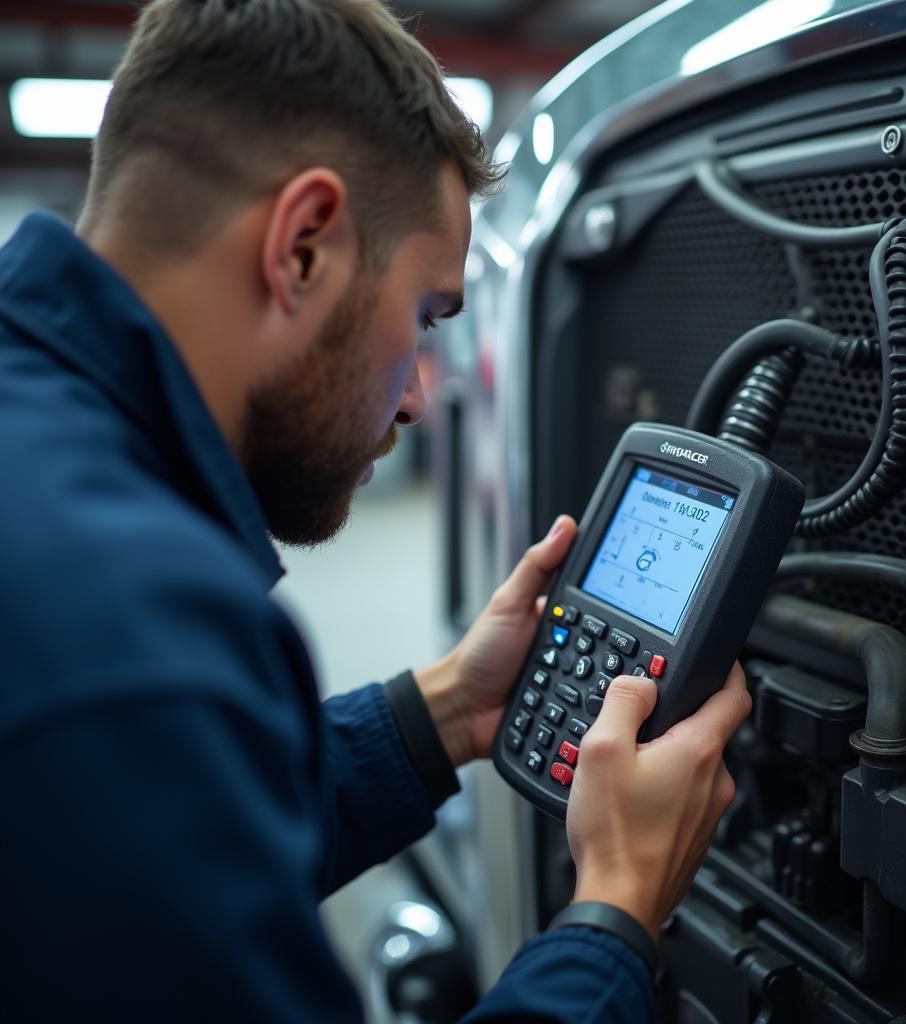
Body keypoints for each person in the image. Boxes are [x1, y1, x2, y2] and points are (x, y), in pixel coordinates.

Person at [0, 0, 751, 1020]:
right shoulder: (135, 638)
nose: (418, 396)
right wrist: (616, 904)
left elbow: (154, 830)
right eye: (426, 316)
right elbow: (146, 733)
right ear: (303, 246)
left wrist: (449, 708)